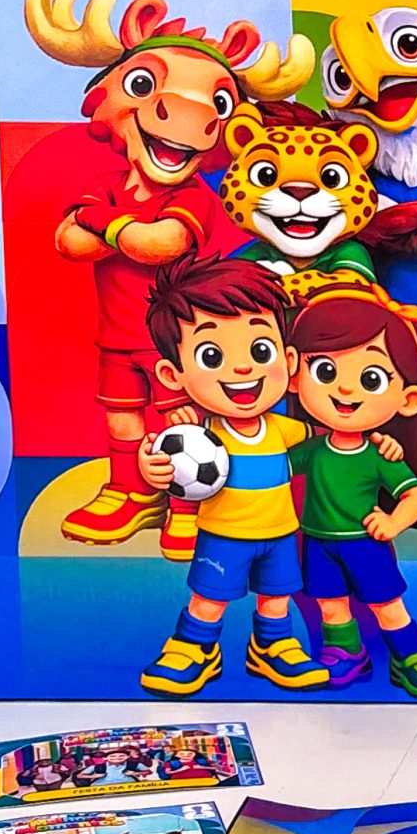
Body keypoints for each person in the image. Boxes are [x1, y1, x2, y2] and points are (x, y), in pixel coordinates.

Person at [134, 254, 330, 697]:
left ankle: (273, 646)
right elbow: (161, 466)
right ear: (172, 374)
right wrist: (151, 465)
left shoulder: (282, 429)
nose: (242, 368)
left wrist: (377, 441)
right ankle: (194, 648)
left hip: (280, 533)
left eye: (260, 351)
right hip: (223, 535)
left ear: (289, 359)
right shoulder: (196, 436)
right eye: (212, 355)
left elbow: (327, 440)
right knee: (210, 597)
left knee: (276, 595)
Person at [287, 281, 417, 698]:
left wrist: (393, 522)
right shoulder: (312, 449)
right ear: (295, 377)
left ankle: (413, 656)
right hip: (319, 542)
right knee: (331, 604)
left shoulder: (380, 454)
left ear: (408, 399)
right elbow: (274, 468)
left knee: (387, 603)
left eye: (370, 377)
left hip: (365, 543)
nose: (345, 389)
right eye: (325, 371)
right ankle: (344, 652)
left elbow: (414, 495)